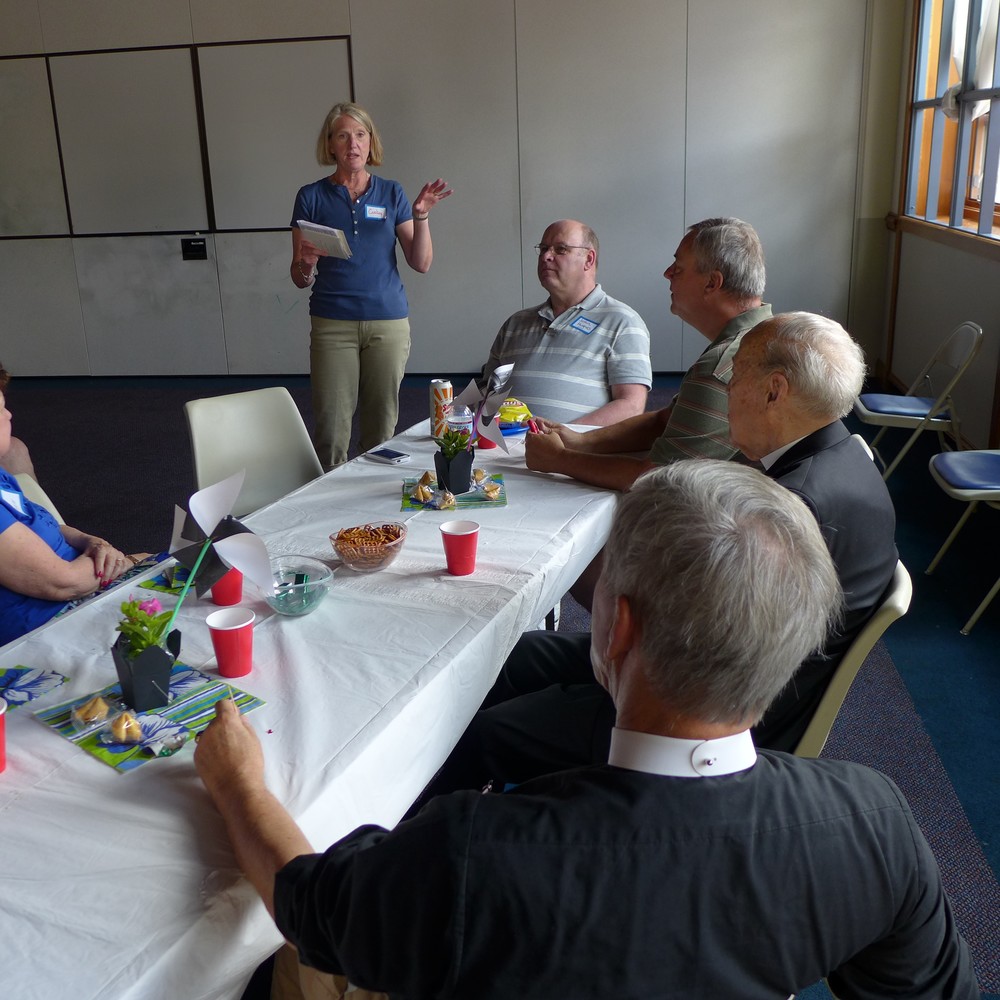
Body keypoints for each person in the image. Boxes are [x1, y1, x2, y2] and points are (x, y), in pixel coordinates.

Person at [195, 461, 978, 999]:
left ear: (618, 627)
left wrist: (237, 785)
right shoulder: (876, 824)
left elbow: (307, 904)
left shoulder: (472, 856)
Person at [426, 312, 897, 794]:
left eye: (736, 375)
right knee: (515, 656)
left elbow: (711, 641)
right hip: (714, 670)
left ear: (775, 391)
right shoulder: (842, 458)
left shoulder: (795, 508)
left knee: (491, 732)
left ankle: (441, 828)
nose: (727, 391)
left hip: (703, 716)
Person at [523, 216, 770, 490]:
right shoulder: (757, 339)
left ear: (712, 283)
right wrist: (580, 440)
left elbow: (659, 479)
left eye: (678, 268)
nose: (667, 273)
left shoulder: (724, 367)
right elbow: (664, 420)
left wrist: (559, 459)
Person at [291, 101, 452, 470]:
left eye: (361, 135)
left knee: (381, 427)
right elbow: (299, 278)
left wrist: (421, 216)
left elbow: (421, 263)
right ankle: (330, 498)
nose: (353, 144)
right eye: (343, 136)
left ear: (370, 142)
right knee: (332, 428)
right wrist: (307, 263)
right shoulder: (310, 197)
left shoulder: (391, 192)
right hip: (333, 323)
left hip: (387, 322)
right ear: (330, 144)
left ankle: (374, 499)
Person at [0, 364, 146, 646]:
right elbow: (63, 583)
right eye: (1, 409)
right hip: (51, 623)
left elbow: (41, 523)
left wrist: (92, 542)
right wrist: (126, 562)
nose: (9, 415)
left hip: (80, 590)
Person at [480, 219, 651, 425]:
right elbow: (486, 394)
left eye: (560, 249)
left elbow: (631, 406)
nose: (546, 256)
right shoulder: (515, 324)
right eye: (543, 248)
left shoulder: (623, 322)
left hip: (573, 445)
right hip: (502, 443)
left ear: (588, 259)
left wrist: (564, 436)